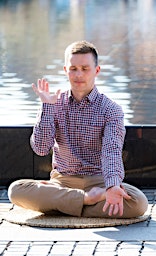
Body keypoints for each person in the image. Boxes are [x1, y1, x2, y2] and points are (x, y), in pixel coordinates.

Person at [8, 40, 148, 218]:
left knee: (137, 202)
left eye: (85, 68)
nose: (79, 74)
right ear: (66, 70)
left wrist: (112, 186)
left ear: (96, 71)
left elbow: (111, 151)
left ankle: (63, 205)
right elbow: (41, 149)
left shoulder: (111, 109)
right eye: (73, 69)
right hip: (63, 182)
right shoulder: (53, 103)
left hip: (99, 182)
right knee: (16, 190)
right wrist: (47, 107)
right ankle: (86, 200)